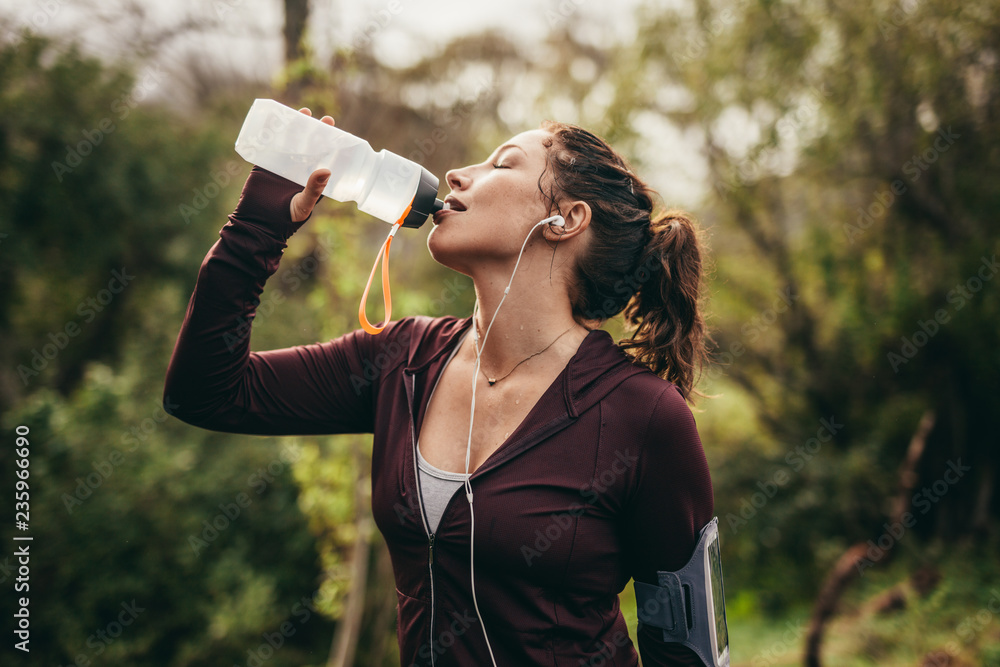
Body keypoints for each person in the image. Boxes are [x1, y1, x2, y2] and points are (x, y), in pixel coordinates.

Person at [164, 108, 715, 666]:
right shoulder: (400, 359)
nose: (455, 175)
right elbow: (205, 390)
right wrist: (258, 227)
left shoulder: (643, 415)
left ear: (566, 219)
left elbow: (688, 648)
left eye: (502, 164)